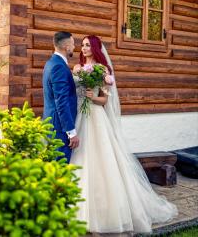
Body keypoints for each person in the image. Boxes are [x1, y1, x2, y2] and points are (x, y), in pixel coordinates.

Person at [70, 35, 178, 234]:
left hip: (96, 117)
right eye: (82, 45)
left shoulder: (102, 70)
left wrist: (93, 97)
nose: (83, 48)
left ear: (95, 48)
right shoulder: (76, 68)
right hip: (79, 116)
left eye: (87, 45)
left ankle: (105, 212)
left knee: (101, 160)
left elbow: (105, 101)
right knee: (80, 157)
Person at [43, 31, 80, 163]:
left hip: (51, 123)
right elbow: (61, 101)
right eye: (73, 44)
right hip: (59, 127)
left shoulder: (51, 63)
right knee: (59, 169)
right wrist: (71, 132)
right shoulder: (59, 66)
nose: (74, 47)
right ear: (67, 46)